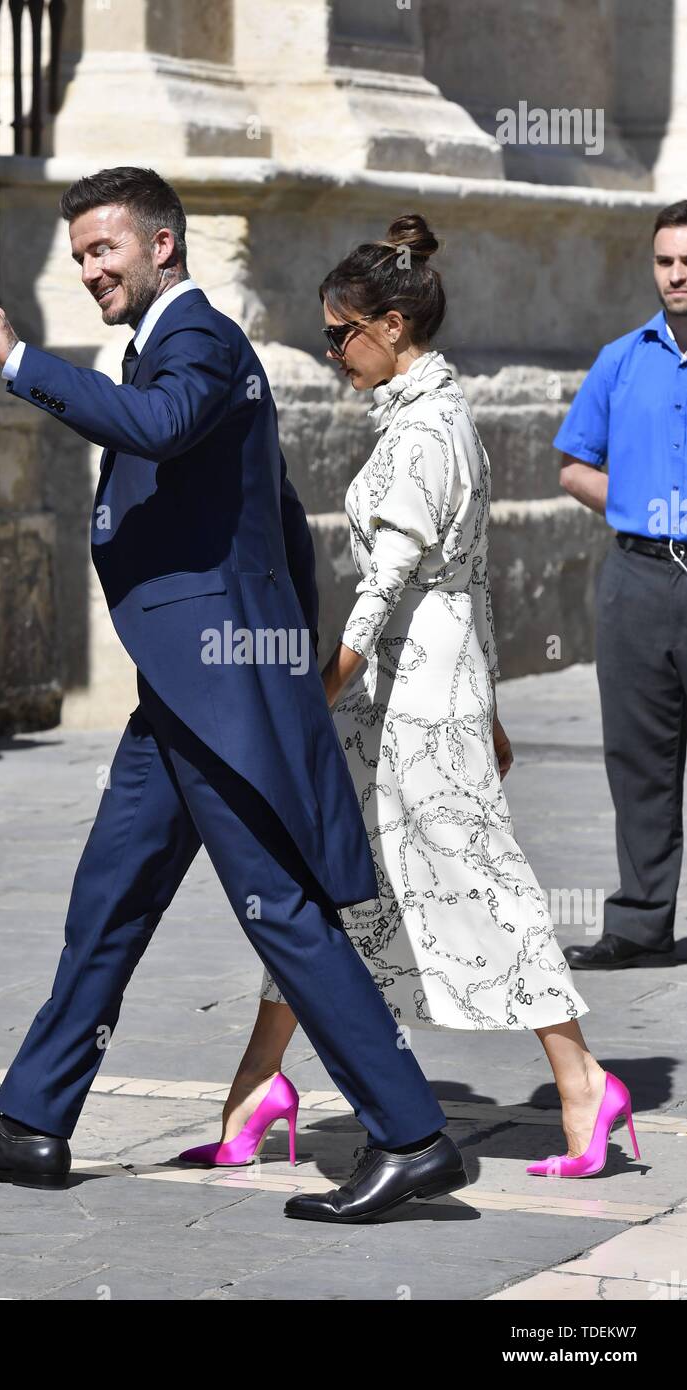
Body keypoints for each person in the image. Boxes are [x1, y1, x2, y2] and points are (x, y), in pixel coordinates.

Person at [0, 167, 468, 1223]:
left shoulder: (199, 339)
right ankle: (31, 1121)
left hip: (212, 694)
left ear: (162, 245)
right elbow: (280, 521)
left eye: (103, 250)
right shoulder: (176, 344)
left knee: (282, 911)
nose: (88, 270)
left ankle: (410, 1133)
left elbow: (154, 427)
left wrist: (21, 361)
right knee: (108, 899)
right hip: (187, 688)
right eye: (78, 256)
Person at [179, 214, 639, 1181]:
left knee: (478, 888)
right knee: (327, 891)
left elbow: (385, 590)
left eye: (339, 334)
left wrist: (320, 691)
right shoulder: (431, 416)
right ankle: (257, 1084)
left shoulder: (427, 428)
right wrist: (492, 704)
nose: (330, 352)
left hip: (412, 711)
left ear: (391, 326)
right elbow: (466, 579)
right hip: (410, 703)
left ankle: (582, 1082)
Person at [556, 199, 687, 972]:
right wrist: (638, 500)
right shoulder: (618, 359)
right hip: (638, 578)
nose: (677, 277)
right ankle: (639, 926)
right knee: (637, 759)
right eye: (666, 263)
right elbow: (573, 466)